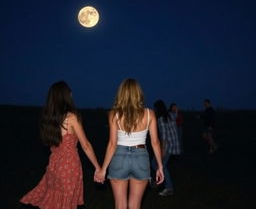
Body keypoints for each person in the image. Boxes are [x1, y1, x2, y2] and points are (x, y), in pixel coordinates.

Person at [20, 81, 101, 209]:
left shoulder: (48, 119)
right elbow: (85, 145)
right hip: (69, 166)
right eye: (70, 93)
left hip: (54, 166)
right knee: (66, 203)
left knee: (54, 202)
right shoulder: (71, 118)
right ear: (66, 96)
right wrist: (97, 167)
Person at [95, 78, 164, 209]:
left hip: (119, 158)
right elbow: (155, 142)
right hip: (141, 158)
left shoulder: (114, 114)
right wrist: (160, 166)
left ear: (121, 93)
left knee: (120, 205)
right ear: (139, 93)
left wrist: (103, 169)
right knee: (135, 206)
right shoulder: (149, 114)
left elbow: (112, 144)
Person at [152, 100, 180, 196]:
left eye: (155, 108)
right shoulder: (170, 115)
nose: (154, 110)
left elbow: (164, 136)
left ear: (157, 109)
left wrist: (163, 150)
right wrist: (176, 110)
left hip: (167, 146)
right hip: (173, 145)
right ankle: (159, 182)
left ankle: (169, 188)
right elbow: (176, 116)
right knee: (155, 164)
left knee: (161, 166)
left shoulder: (161, 119)